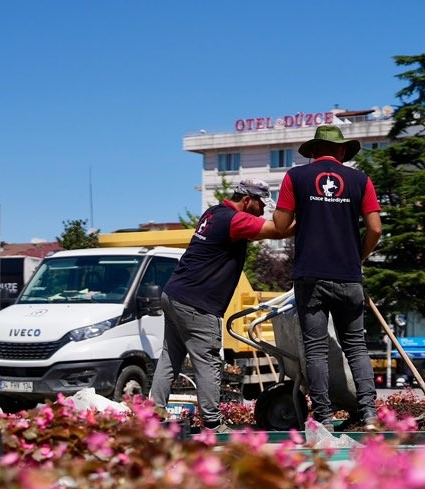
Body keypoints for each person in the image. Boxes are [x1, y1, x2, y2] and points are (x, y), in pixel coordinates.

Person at [150, 179, 287, 431]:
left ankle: (150, 415)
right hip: (197, 303)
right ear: (247, 200)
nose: (263, 211)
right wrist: (314, 218)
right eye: (261, 205)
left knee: (170, 357)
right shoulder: (234, 220)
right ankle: (213, 425)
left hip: (175, 293)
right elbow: (279, 230)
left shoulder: (213, 213)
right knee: (209, 361)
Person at [272, 125, 383, 430]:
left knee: (315, 349)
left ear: (313, 151)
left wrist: (305, 215)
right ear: (343, 151)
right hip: (349, 276)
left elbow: (281, 226)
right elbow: (375, 228)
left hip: (311, 276)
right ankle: (370, 413)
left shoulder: (296, 177)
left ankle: (323, 418)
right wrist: (358, 257)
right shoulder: (361, 180)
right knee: (357, 347)